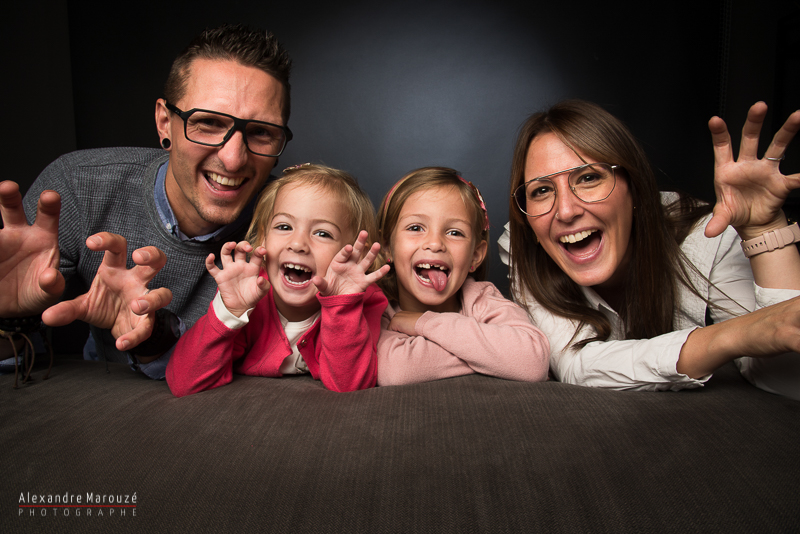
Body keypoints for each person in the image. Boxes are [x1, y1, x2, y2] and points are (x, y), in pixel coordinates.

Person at [0, 24, 292, 379]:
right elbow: (13, 356)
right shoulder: (76, 187)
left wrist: (150, 336)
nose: (233, 159)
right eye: (208, 123)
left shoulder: (294, 222)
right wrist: (10, 318)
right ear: (165, 123)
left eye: (261, 132)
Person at [499, 99, 800, 398]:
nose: (565, 211)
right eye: (541, 190)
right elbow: (577, 365)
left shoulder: (708, 237)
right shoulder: (524, 247)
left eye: (589, 177)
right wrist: (734, 336)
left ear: (635, 188)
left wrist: (765, 229)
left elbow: (787, 380)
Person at [166, 164, 390, 396]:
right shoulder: (248, 296)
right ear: (262, 239)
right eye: (284, 226)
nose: (298, 244)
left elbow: (352, 385)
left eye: (323, 233)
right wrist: (228, 313)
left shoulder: (364, 301)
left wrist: (343, 305)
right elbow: (183, 382)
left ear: (354, 253)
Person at [376, 167, 549, 385]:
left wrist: (425, 323)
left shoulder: (481, 299)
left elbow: (532, 361)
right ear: (386, 248)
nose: (435, 243)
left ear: (475, 256)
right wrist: (493, 358)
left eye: (454, 232)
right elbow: (396, 370)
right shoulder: (380, 312)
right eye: (416, 227)